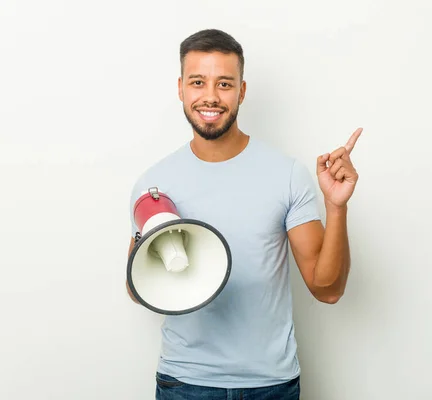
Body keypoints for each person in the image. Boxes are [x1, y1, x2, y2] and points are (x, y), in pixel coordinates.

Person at [126, 28, 362, 400]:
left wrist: (336, 206)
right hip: (185, 384)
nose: (210, 96)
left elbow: (328, 289)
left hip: (270, 384)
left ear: (242, 90)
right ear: (180, 89)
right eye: (198, 82)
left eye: (224, 83)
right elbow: (136, 289)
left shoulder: (286, 174)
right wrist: (155, 241)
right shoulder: (155, 183)